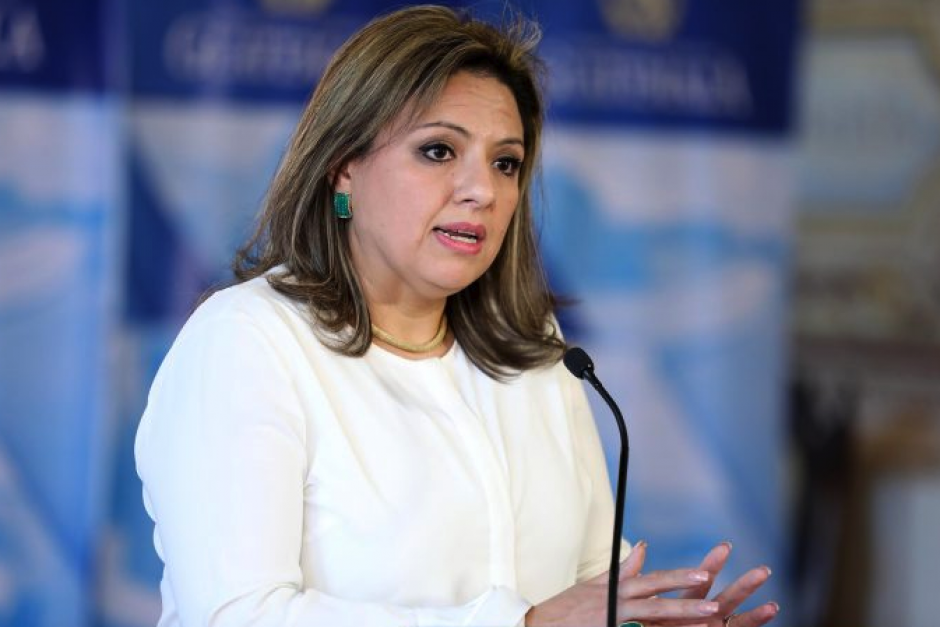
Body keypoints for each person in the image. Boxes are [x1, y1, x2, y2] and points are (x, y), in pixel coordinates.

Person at [135, 5, 780, 627]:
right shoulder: (248, 343)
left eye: (506, 163)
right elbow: (238, 616)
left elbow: (590, 588)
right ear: (344, 168)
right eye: (440, 151)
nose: (483, 191)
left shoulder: (536, 354)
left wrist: (647, 624)